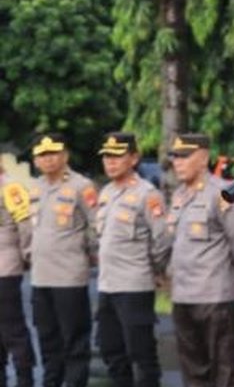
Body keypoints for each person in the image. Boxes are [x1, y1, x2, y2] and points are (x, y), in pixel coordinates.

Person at [167, 133, 234, 387]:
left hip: (216, 296)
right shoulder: (178, 196)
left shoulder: (223, 194)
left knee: (224, 371)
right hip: (183, 296)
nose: (177, 163)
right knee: (193, 371)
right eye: (175, 158)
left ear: (203, 159)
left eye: (184, 157)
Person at [94, 133, 171, 387]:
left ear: (134, 158)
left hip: (134, 285)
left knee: (141, 354)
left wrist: (156, 271)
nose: (110, 162)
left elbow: (161, 241)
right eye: (107, 156)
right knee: (111, 350)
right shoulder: (105, 192)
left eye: (117, 156)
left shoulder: (147, 195)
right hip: (107, 286)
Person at [28, 133, 97, 387]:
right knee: (47, 339)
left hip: (69, 275)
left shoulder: (81, 186)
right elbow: (29, 229)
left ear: (65, 155)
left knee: (75, 340)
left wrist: (88, 254)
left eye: (53, 153)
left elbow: (96, 226)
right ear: (35, 160)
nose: (48, 159)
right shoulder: (34, 188)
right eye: (42, 155)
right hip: (40, 277)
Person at [0, 158, 35, 387]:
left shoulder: (10, 187)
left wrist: (27, 256)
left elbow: (26, 227)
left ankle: (25, 377)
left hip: (5, 265)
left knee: (12, 327)